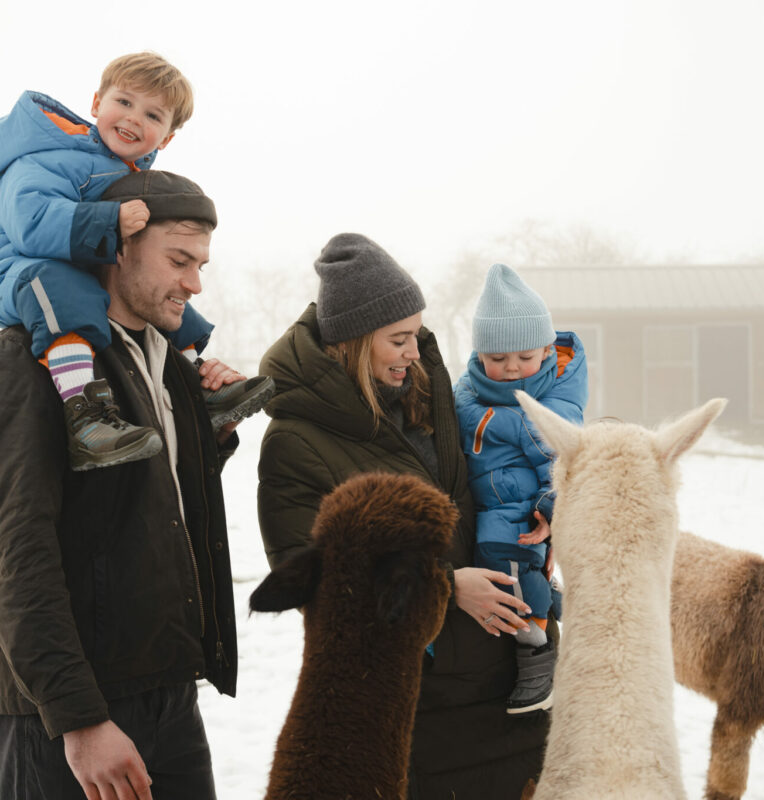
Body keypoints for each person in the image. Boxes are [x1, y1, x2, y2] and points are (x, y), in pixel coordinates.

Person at [257, 233, 556, 799]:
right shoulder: (296, 443)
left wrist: (542, 518)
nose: (414, 352)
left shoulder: (432, 395)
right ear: (351, 343)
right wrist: (446, 586)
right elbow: (314, 576)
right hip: (417, 699)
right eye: (397, 340)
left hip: (509, 680)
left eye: (416, 334)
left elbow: (492, 489)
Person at [0, 170, 242, 800]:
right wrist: (79, 718)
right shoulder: (32, 360)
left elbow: (141, 512)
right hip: (69, 717)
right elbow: (17, 552)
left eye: (201, 264)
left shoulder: (169, 362)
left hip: (169, 693)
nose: (194, 283)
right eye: (179, 261)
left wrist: (208, 437)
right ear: (117, 247)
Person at [0, 51, 272, 471]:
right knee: (62, 286)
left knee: (166, 295)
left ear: (166, 138)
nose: (132, 119)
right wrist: (109, 219)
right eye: (124, 102)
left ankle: (193, 381)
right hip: (21, 270)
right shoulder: (49, 155)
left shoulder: (121, 171)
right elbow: (29, 223)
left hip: (72, 269)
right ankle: (85, 415)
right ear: (96, 104)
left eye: (152, 115)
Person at [454, 263, 588, 715]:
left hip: (525, 502)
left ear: (548, 349)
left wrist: (553, 506)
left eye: (524, 357)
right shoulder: (470, 388)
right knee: (499, 548)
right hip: (488, 489)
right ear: (479, 355)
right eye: (497, 359)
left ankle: (535, 648)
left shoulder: (554, 399)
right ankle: (546, 596)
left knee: (501, 548)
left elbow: (563, 457)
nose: (511, 369)